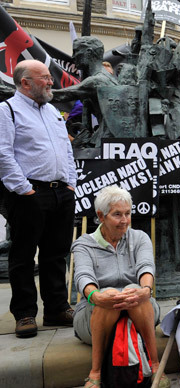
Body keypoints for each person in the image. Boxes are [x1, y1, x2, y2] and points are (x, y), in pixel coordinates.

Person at [0, 59, 77, 338]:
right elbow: (3, 154)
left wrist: (70, 184)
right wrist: (24, 189)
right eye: (44, 77)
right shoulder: (7, 111)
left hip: (60, 192)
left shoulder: (53, 112)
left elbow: (66, 150)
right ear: (25, 83)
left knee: (56, 253)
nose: (50, 81)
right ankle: (24, 314)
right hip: (30, 193)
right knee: (22, 255)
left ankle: (56, 307)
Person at [72, 186, 167, 388]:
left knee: (133, 290)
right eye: (117, 214)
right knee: (109, 293)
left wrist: (145, 291)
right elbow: (83, 277)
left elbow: (146, 267)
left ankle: (156, 364)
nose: (124, 220)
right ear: (101, 216)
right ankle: (95, 373)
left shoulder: (140, 238)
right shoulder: (83, 244)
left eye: (127, 213)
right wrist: (96, 297)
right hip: (94, 314)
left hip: (141, 310)